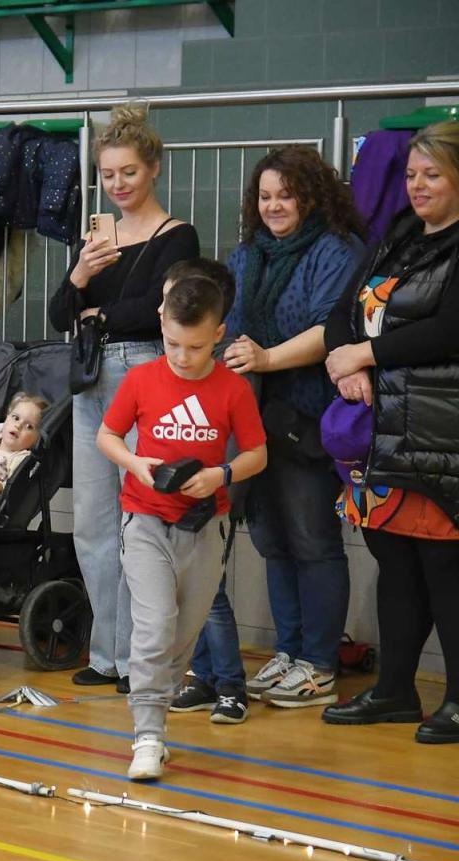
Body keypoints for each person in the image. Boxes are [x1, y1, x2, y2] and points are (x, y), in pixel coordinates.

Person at [204, 147, 368, 713]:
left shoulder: (337, 250)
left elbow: (334, 328)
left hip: (310, 414)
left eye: (286, 194)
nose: (273, 205)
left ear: (311, 195)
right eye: (265, 196)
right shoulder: (249, 254)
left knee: (312, 539)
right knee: (272, 540)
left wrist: (267, 359)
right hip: (253, 418)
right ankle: (290, 650)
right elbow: (230, 324)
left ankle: (320, 663)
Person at [49, 104, 200, 693]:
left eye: (129, 172)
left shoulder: (176, 235)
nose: (118, 184)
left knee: (141, 523)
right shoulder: (98, 237)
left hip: (144, 374)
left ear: (154, 169)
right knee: (93, 522)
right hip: (92, 380)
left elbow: (162, 311)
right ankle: (108, 652)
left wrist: (99, 311)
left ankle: (145, 659)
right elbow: (59, 313)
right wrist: (81, 276)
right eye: (109, 175)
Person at [320, 121, 459, 746]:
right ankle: (396, 689)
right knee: (395, 561)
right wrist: (343, 360)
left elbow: (448, 331)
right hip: (383, 431)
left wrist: (366, 358)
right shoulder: (399, 234)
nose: (418, 185)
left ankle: (457, 699)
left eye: (433, 174)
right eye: (411, 174)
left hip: (440, 431)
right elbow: (343, 313)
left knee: (444, 567)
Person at [97, 273, 266, 781]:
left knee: (183, 633)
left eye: (194, 346)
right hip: (145, 520)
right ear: (161, 324)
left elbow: (257, 453)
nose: (182, 355)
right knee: (153, 627)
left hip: (204, 525)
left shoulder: (233, 389)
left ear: (219, 334)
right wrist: (135, 463)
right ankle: (147, 733)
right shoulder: (142, 379)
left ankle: (159, 706)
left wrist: (223, 474)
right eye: (172, 343)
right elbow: (108, 435)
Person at [157, 258, 251, 724]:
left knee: (211, 593)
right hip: (167, 507)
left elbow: (243, 448)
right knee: (186, 595)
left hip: (210, 503)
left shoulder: (226, 379)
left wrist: (221, 481)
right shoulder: (164, 373)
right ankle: (206, 676)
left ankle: (232, 685)